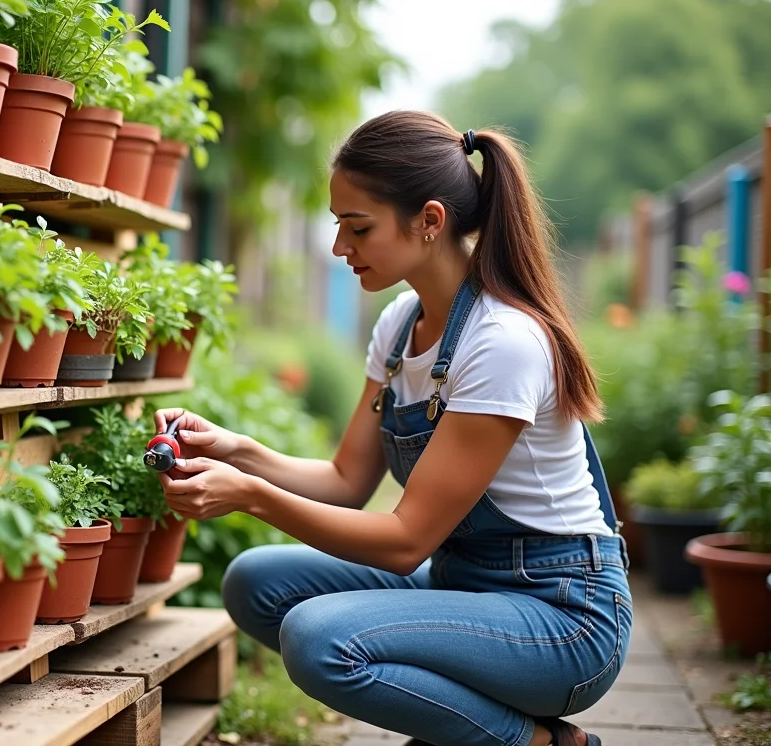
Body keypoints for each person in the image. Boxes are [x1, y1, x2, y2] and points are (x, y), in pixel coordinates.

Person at [153, 110, 629, 746]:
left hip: (563, 617)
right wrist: (238, 452)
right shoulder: (402, 324)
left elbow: (406, 541)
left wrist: (251, 496)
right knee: (256, 584)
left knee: (320, 638)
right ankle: (467, 726)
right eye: (337, 226)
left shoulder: (502, 341)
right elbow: (349, 480)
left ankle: (541, 743)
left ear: (429, 222)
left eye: (358, 228)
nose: (338, 248)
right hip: (466, 582)